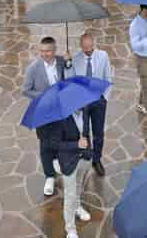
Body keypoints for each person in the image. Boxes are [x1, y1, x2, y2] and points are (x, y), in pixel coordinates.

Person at [22, 37, 70, 197]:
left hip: (59, 110)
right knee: (44, 144)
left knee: (58, 138)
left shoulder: (62, 62)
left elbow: (69, 79)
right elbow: (26, 90)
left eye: (48, 51)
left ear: (54, 51)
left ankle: (56, 159)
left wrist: (69, 63)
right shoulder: (33, 69)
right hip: (42, 111)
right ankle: (49, 176)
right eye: (42, 51)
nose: (45, 54)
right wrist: (45, 95)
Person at [73, 33, 112, 177]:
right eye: (85, 48)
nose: (88, 50)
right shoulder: (75, 59)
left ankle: (97, 160)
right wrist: (66, 62)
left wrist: (105, 98)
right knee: (84, 131)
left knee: (99, 133)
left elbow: (108, 77)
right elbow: (71, 79)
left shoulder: (103, 56)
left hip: (99, 101)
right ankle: (87, 154)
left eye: (91, 47)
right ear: (81, 46)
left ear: (94, 43)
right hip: (83, 102)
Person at [57, 107, 91, 238]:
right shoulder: (60, 116)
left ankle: (78, 207)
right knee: (69, 195)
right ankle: (70, 229)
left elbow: (86, 132)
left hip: (83, 157)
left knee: (79, 186)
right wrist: (76, 144)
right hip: (69, 161)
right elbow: (55, 144)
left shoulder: (85, 110)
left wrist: (87, 149)